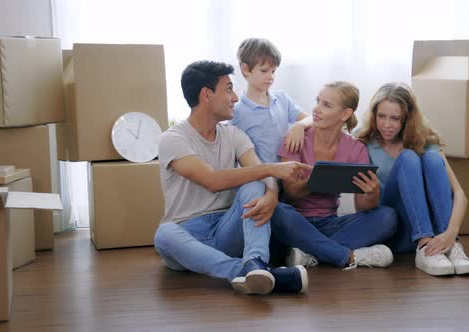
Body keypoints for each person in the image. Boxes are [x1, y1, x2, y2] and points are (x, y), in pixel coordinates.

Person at [153, 60, 314, 295]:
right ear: (206, 95)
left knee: (253, 185)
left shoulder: (234, 135)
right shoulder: (173, 139)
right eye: (228, 89)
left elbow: (260, 173)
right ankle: (251, 271)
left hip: (227, 228)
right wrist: (271, 170)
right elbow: (212, 181)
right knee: (164, 235)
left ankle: (255, 262)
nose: (236, 98)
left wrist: (271, 193)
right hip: (187, 235)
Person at [269, 81, 398, 269]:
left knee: (388, 216)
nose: (316, 109)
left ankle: (312, 254)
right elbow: (291, 194)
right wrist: (315, 180)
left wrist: (372, 194)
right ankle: (348, 256)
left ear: (345, 114)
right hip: (296, 222)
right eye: (318, 101)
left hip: (330, 223)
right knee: (277, 210)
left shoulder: (356, 148)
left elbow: (362, 206)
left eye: (326, 105)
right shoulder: (296, 139)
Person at [357, 82, 469, 276]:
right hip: (394, 228)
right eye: (381, 116)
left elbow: (460, 194)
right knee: (409, 157)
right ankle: (424, 244)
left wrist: (451, 234)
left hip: (436, 230)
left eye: (395, 118)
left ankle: (449, 247)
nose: (386, 124)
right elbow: (361, 208)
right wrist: (301, 125)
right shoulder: (363, 140)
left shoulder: (424, 139)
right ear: (374, 114)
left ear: (406, 119)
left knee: (431, 158)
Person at [230, 38, 311, 163]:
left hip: (286, 173)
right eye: (264, 71)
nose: (271, 77)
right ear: (245, 69)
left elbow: (312, 119)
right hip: (259, 176)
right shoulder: (236, 112)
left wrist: (299, 126)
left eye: (273, 71)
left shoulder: (282, 99)